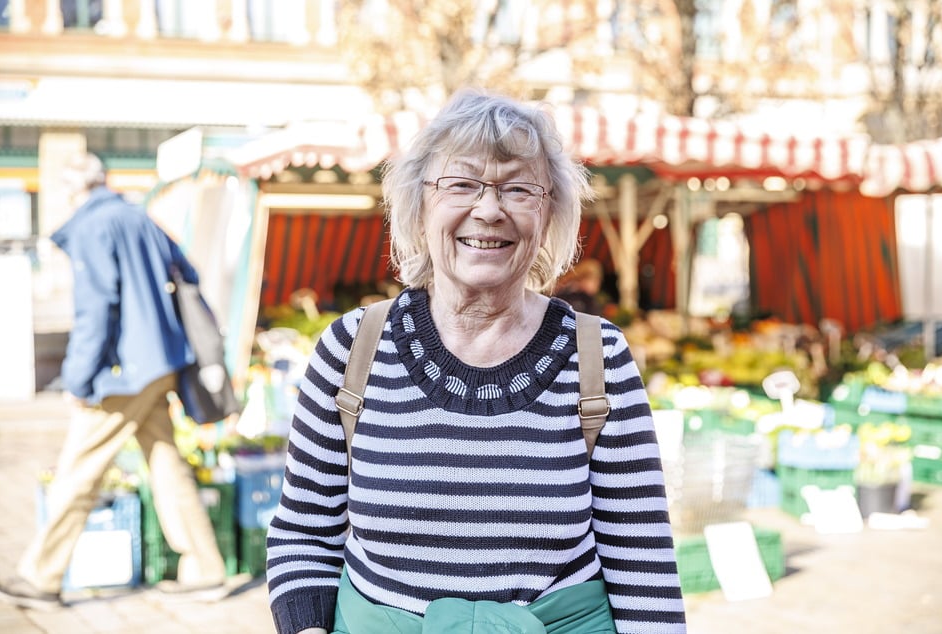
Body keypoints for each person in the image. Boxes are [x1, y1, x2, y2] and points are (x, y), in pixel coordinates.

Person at [265, 89, 686, 634]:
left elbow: (641, 556)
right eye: (461, 184)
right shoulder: (351, 350)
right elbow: (304, 532)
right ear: (418, 203)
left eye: (517, 188)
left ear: (550, 210)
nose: (488, 210)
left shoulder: (596, 356)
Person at [0, 153, 232, 609]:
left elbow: (96, 311)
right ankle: (207, 570)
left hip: (125, 372)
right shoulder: (141, 217)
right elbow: (188, 272)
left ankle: (41, 577)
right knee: (165, 461)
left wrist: (77, 377)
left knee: (79, 468)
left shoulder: (92, 226)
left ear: (70, 190)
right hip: (161, 361)